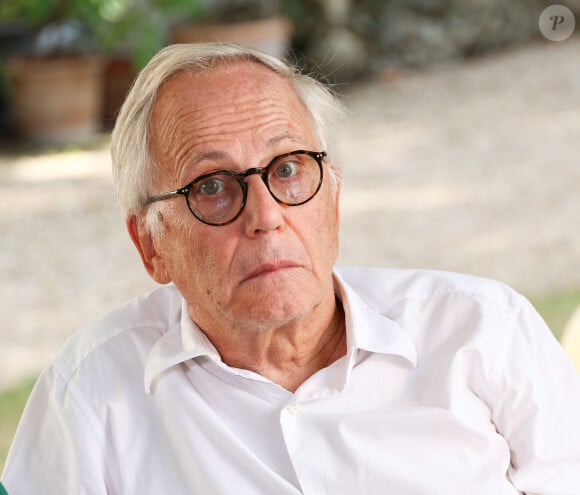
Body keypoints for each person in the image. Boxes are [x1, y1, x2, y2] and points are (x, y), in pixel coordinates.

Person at [2, 43, 580, 494]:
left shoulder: (484, 332)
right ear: (150, 246)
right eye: (212, 186)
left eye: (287, 170)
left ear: (333, 196)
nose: (266, 217)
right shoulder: (90, 393)